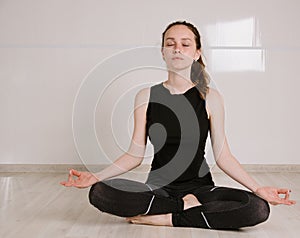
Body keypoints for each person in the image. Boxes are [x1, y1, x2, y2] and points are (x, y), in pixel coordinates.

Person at [61, 21, 296, 230]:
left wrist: (258, 189)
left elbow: (223, 156)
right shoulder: (145, 96)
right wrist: (95, 177)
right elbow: (134, 155)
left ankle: (166, 218)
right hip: (158, 189)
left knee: (257, 208)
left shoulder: (210, 98)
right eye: (171, 43)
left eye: (185, 44)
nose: (177, 48)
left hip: (202, 190)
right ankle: (182, 207)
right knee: (100, 192)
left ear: (196, 53)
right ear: (163, 52)